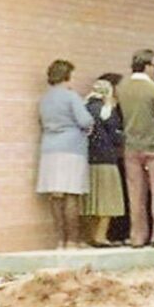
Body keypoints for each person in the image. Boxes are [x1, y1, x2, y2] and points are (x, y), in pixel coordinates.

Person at [117, 49, 154, 249]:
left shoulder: (122, 88)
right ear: (147, 66)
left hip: (131, 145)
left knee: (135, 193)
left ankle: (137, 236)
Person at [37, 59, 94, 249]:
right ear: (66, 76)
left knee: (56, 195)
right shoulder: (71, 97)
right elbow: (85, 121)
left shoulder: (44, 99)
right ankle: (73, 240)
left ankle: (60, 240)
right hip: (72, 148)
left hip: (49, 149)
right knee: (72, 194)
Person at [81, 79, 125, 247]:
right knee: (108, 200)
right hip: (106, 159)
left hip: (88, 159)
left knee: (91, 201)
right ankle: (101, 236)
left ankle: (91, 236)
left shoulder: (84, 108)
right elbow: (115, 136)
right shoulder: (107, 110)